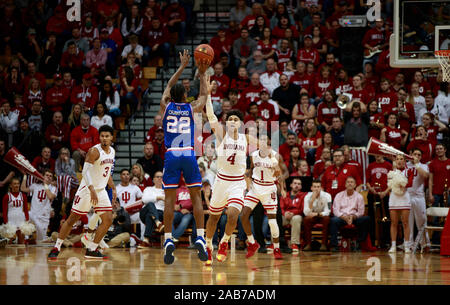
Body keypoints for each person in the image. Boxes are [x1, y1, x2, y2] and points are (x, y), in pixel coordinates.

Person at [159, 50, 209, 265]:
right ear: (184, 96)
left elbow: (168, 87)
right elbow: (205, 97)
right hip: (188, 152)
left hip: (171, 154)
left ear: (172, 96)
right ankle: (200, 236)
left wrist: (181, 68)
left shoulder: (166, 106)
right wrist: (202, 73)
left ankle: (169, 239)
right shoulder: (191, 107)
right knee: (196, 197)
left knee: (169, 200)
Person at [204, 75, 253, 265]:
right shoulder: (222, 134)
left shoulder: (246, 138)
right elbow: (210, 116)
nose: (232, 121)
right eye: (230, 118)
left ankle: (224, 242)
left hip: (237, 183)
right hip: (221, 181)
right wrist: (208, 94)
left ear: (240, 123)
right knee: (214, 218)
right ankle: (208, 245)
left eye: (236, 119)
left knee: (233, 214)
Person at [48, 125, 116, 259]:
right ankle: (57, 246)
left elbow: (106, 172)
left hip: (100, 190)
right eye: (102, 136)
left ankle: (91, 249)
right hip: (87, 189)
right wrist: (91, 190)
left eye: (107, 136)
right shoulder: (94, 151)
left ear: (112, 137)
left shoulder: (112, 151)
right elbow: (85, 171)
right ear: (99, 137)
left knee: (107, 220)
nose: (104, 138)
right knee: (72, 219)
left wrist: (113, 188)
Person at [241, 134, 288, 259]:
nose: (262, 141)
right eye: (260, 139)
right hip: (256, 187)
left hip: (269, 188)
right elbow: (249, 170)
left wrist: (282, 188)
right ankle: (252, 243)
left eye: (264, 139)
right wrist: (247, 180)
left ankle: (276, 248)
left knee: (272, 221)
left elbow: (281, 174)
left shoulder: (276, 156)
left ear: (268, 142)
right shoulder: (253, 155)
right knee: (243, 215)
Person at [379, 154, 414, 254]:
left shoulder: (409, 171)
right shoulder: (391, 172)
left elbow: (410, 183)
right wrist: (386, 191)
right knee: (394, 223)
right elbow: (389, 185)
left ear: (405, 161)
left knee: (405, 222)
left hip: (404, 197)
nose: (399, 161)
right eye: (397, 159)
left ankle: (407, 245)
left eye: (401, 159)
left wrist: (402, 184)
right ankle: (393, 245)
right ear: (395, 161)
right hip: (394, 197)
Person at [330, 176, 370, 252]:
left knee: (366, 219)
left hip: (354, 218)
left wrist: (353, 217)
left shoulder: (359, 196)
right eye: (348, 182)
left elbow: (361, 211)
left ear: (355, 185)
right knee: (333, 220)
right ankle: (334, 245)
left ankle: (359, 243)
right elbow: (335, 210)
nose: (350, 184)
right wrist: (344, 217)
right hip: (342, 218)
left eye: (352, 182)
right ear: (345, 185)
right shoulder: (339, 195)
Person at [20, 171, 56, 242]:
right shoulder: (35, 185)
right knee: (22, 217)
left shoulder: (53, 188)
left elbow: (50, 196)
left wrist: (45, 184)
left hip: (43, 217)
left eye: (50, 176)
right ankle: (22, 239)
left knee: (40, 240)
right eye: (46, 175)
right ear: (43, 176)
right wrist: (25, 176)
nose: (48, 177)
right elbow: (23, 189)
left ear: (52, 179)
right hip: (33, 213)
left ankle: (43, 239)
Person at [407, 148, 431, 252]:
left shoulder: (424, 166)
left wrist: (417, 165)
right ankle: (409, 244)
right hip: (407, 196)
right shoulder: (405, 164)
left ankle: (424, 244)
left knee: (422, 221)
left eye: (419, 155)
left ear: (421, 157)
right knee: (408, 222)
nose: (416, 156)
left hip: (419, 196)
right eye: (415, 154)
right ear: (410, 154)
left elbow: (425, 175)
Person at [366, 154, 392, 247]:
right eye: (376, 155)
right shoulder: (370, 166)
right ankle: (372, 241)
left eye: (379, 154)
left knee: (385, 218)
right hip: (372, 195)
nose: (378, 156)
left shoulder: (388, 165)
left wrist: (385, 192)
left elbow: (392, 181)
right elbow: (367, 181)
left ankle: (386, 241)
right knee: (372, 218)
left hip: (384, 195)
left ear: (382, 155)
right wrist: (371, 189)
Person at [302, 180, 332, 251]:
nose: (316, 189)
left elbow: (328, 211)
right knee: (306, 219)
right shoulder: (307, 197)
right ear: (311, 188)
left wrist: (318, 214)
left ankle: (324, 244)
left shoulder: (327, 196)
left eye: (318, 187)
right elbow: (306, 212)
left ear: (321, 188)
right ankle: (308, 244)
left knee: (327, 219)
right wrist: (312, 201)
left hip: (322, 216)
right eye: (314, 187)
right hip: (312, 216)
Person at [280, 178, 306, 253]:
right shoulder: (285, 195)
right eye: (295, 183)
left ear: (301, 187)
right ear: (291, 185)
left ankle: (294, 243)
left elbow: (302, 209)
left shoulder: (303, 196)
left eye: (299, 184)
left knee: (296, 219)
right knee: (277, 219)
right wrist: (284, 213)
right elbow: (281, 208)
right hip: (285, 215)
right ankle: (275, 243)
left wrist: (293, 213)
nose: (297, 185)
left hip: (296, 215)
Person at [140, 171, 165, 248]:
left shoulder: (166, 191)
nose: (159, 179)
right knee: (150, 204)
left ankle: (146, 240)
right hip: (145, 211)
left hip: (159, 213)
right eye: (157, 177)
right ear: (153, 179)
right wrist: (159, 197)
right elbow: (144, 200)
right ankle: (158, 222)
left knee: (150, 216)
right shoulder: (148, 189)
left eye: (161, 177)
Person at [2, 178, 29, 244]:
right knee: (9, 240)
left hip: (20, 219)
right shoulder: (7, 196)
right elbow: (4, 211)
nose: (17, 185)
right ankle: (8, 254)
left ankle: (21, 254)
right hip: (11, 219)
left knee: (21, 240)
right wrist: (6, 223)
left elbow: (26, 209)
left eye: (18, 183)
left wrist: (27, 220)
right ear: (11, 185)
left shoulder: (23, 196)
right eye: (14, 184)